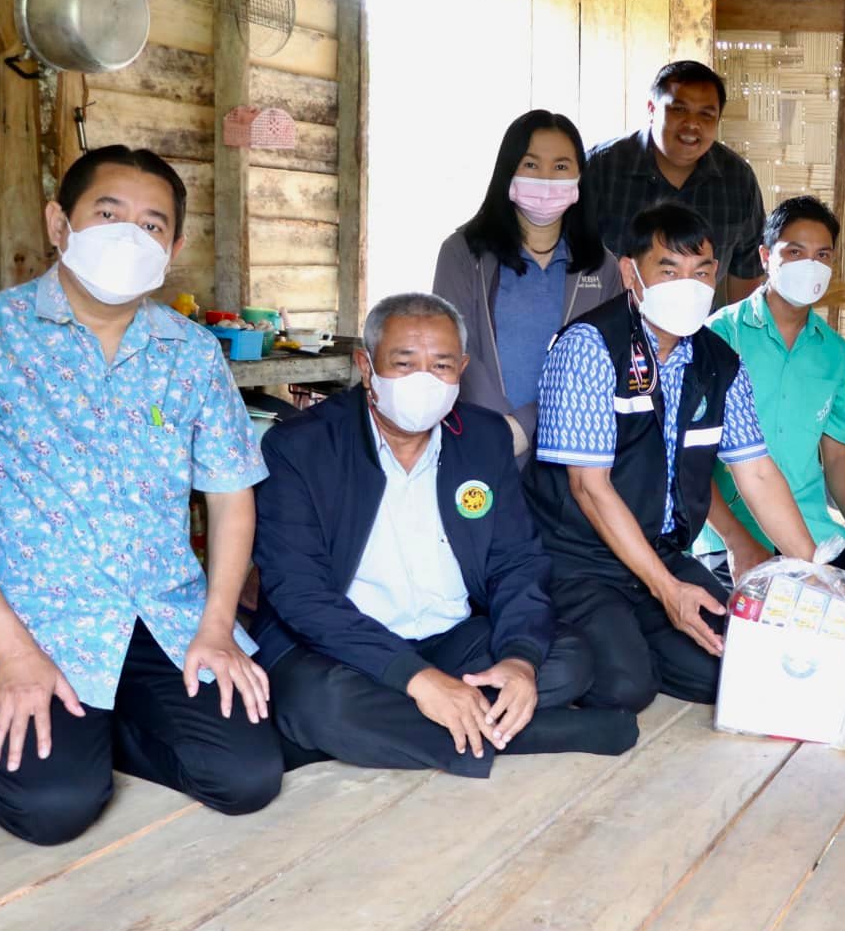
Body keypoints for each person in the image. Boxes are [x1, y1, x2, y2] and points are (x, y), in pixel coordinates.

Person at [0, 146, 282, 845]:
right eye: (109, 214)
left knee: (248, 779)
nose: (130, 235)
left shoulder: (191, 353)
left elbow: (230, 498)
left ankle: (101, 727)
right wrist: (12, 654)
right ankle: (60, 730)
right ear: (58, 222)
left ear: (174, 246)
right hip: (30, 625)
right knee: (51, 809)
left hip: (161, 616)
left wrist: (218, 626)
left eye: (152, 224)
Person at [250, 293, 638, 776]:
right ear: (366, 367)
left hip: (450, 637)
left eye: (441, 365)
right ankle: (529, 734)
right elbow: (300, 594)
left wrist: (518, 660)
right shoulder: (300, 446)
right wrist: (418, 679)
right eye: (404, 363)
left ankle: (398, 731)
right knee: (319, 703)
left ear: (463, 369)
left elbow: (516, 560)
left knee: (565, 659)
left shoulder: (482, 437)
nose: (424, 380)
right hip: (342, 649)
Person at [526, 201, 816, 710]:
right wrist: (668, 591)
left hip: (659, 552)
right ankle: (594, 637)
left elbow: (758, 474)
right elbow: (588, 489)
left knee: (734, 669)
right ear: (630, 274)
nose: (689, 285)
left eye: (701, 272)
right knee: (625, 688)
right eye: (669, 269)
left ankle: (633, 635)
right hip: (579, 561)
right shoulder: (590, 347)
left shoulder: (718, 362)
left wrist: (816, 576)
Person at [694, 196, 845, 593]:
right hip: (728, 536)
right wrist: (737, 541)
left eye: (822, 255)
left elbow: (835, 455)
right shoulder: (719, 335)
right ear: (766, 256)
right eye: (795, 252)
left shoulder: (833, 351)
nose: (810, 266)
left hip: (810, 532)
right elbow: (690, 458)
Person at [433, 109, 621, 463]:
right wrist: (498, 431)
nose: (547, 179)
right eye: (531, 165)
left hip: (566, 452)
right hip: (478, 442)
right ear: (509, 171)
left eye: (561, 166)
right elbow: (452, 346)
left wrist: (526, 424)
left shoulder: (601, 266)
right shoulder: (462, 253)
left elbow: (606, 365)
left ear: (580, 177)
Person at [581, 60, 766, 305]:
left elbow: (747, 271)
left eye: (706, 114)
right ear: (651, 108)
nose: (692, 124)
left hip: (696, 330)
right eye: (678, 109)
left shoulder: (737, 180)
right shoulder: (601, 168)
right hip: (609, 328)